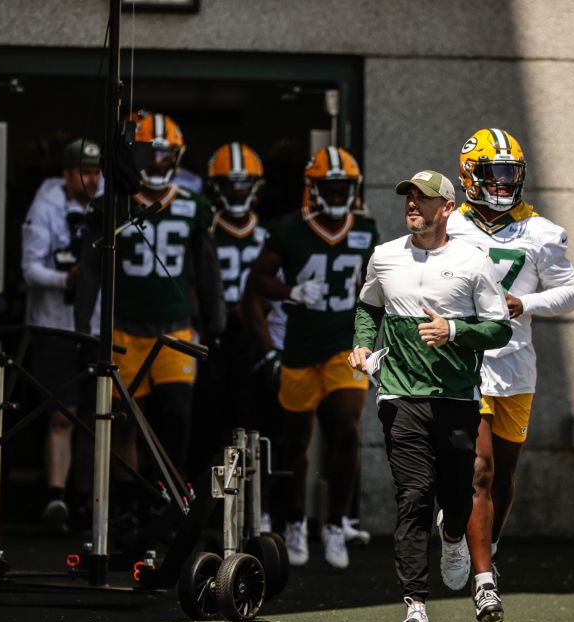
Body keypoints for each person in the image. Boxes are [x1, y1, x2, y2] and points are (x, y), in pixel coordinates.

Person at [349, 170, 511, 622]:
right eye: (409, 198)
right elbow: (368, 308)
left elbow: (499, 329)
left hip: (458, 399)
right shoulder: (384, 256)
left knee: (457, 496)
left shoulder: (473, 262)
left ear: (448, 208)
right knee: (413, 497)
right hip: (399, 396)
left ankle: (455, 532)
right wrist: (361, 344)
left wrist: (455, 332)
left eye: (424, 199)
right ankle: (416, 608)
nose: (413, 205)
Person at [444, 128, 574, 621]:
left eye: (510, 173)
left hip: (517, 364)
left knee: (504, 477)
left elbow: (569, 292)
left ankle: (487, 545)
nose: (503, 182)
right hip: (467, 362)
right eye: (494, 172)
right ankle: (484, 582)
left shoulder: (541, 230)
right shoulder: (449, 224)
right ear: (469, 175)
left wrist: (527, 302)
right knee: (479, 470)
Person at [75, 110, 225, 511]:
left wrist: (215, 325)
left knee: (177, 416)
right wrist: (83, 327)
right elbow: (91, 272)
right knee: (123, 421)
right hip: (123, 329)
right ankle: (125, 502)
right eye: (149, 154)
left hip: (174, 330)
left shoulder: (194, 207)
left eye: (165, 154)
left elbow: (208, 273)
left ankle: (167, 495)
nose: (157, 163)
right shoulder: (112, 205)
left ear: (178, 156)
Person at [249, 146, 380, 569]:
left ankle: (335, 523)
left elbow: (379, 287)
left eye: (344, 185)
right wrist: (290, 292)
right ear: (314, 188)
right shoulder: (288, 230)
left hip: (344, 347)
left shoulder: (366, 228)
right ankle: (294, 522)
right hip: (301, 350)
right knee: (297, 442)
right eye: (331, 185)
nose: (339, 193)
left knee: (346, 429)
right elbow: (257, 282)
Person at [20, 137, 103, 534]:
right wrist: (67, 278)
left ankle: (93, 500)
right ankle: (58, 494)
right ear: (66, 174)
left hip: (99, 326)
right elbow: (29, 269)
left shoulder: (108, 204)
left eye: (96, 171)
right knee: (61, 414)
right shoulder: (46, 206)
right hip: (54, 324)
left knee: (99, 417)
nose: (92, 179)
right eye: (84, 172)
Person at [190, 142, 271, 474]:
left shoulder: (268, 234)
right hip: (211, 333)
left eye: (243, 184)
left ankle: (254, 501)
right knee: (206, 416)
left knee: (253, 416)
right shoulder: (204, 228)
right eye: (229, 184)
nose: (237, 193)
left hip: (252, 335)